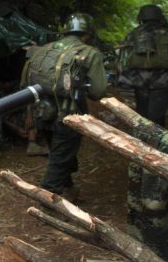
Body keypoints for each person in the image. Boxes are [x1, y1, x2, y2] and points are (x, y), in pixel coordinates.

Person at [22, 13, 107, 198]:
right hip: (69, 115)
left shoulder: (44, 49)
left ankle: (68, 188)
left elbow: (24, 83)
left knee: (59, 152)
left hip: (41, 112)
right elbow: (98, 92)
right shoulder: (88, 53)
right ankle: (46, 201)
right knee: (60, 158)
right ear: (88, 33)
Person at [118, 5, 168, 126]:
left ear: (141, 17)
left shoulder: (133, 34)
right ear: (159, 17)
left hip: (139, 80)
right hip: (163, 80)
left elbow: (124, 56)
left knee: (142, 113)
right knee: (157, 115)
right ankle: (155, 141)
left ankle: (141, 139)